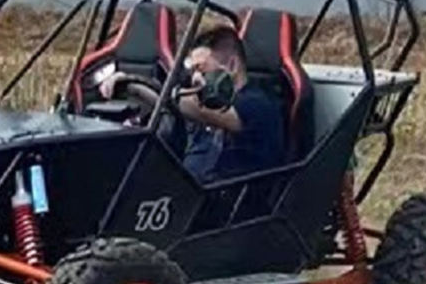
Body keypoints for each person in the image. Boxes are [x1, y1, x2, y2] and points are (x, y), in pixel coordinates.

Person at [100, 25, 286, 183]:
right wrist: (128, 85)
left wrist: (137, 86)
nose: (196, 78)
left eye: (202, 69)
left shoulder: (258, 105)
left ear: (231, 66)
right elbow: (174, 109)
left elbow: (201, 110)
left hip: (229, 204)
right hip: (184, 196)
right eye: (193, 70)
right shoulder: (202, 101)